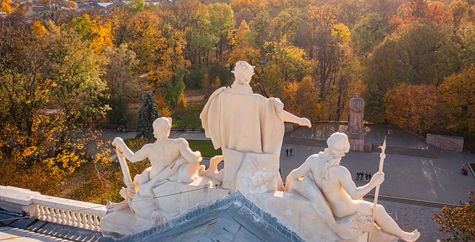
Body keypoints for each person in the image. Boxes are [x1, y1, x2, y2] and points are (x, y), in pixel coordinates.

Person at [286, 133, 420, 242]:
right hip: (346, 209)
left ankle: (400, 234)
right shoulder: (341, 171)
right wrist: (373, 183)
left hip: (333, 209)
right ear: (343, 151)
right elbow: (355, 194)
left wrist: (293, 187)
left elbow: (294, 175)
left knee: (376, 210)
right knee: (378, 209)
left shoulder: (312, 160)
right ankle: (404, 235)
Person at [200, 61, 311, 192]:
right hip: (252, 151)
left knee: (234, 180)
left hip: (231, 148)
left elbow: (208, 117)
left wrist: (297, 119)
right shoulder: (256, 100)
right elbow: (277, 114)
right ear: (247, 77)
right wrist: (298, 120)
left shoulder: (221, 97)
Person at [113, 117, 202, 198]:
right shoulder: (179, 143)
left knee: (146, 173)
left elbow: (132, 158)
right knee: (145, 173)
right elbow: (192, 159)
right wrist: (197, 153)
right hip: (170, 176)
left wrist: (120, 142)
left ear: (155, 132)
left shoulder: (149, 148)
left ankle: (118, 140)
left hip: (155, 178)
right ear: (168, 129)